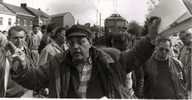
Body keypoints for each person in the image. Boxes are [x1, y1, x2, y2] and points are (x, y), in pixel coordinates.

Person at [10, 17, 160, 98]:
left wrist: (150, 39)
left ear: (90, 43)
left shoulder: (110, 58)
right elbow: (34, 79)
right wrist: (20, 67)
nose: (75, 46)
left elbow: (134, 58)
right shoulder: (58, 62)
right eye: (71, 43)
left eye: (80, 42)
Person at [179, 30, 192, 98]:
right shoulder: (182, 48)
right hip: (184, 82)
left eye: (183, 39)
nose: (182, 41)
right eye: (181, 39)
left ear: (189, 36)